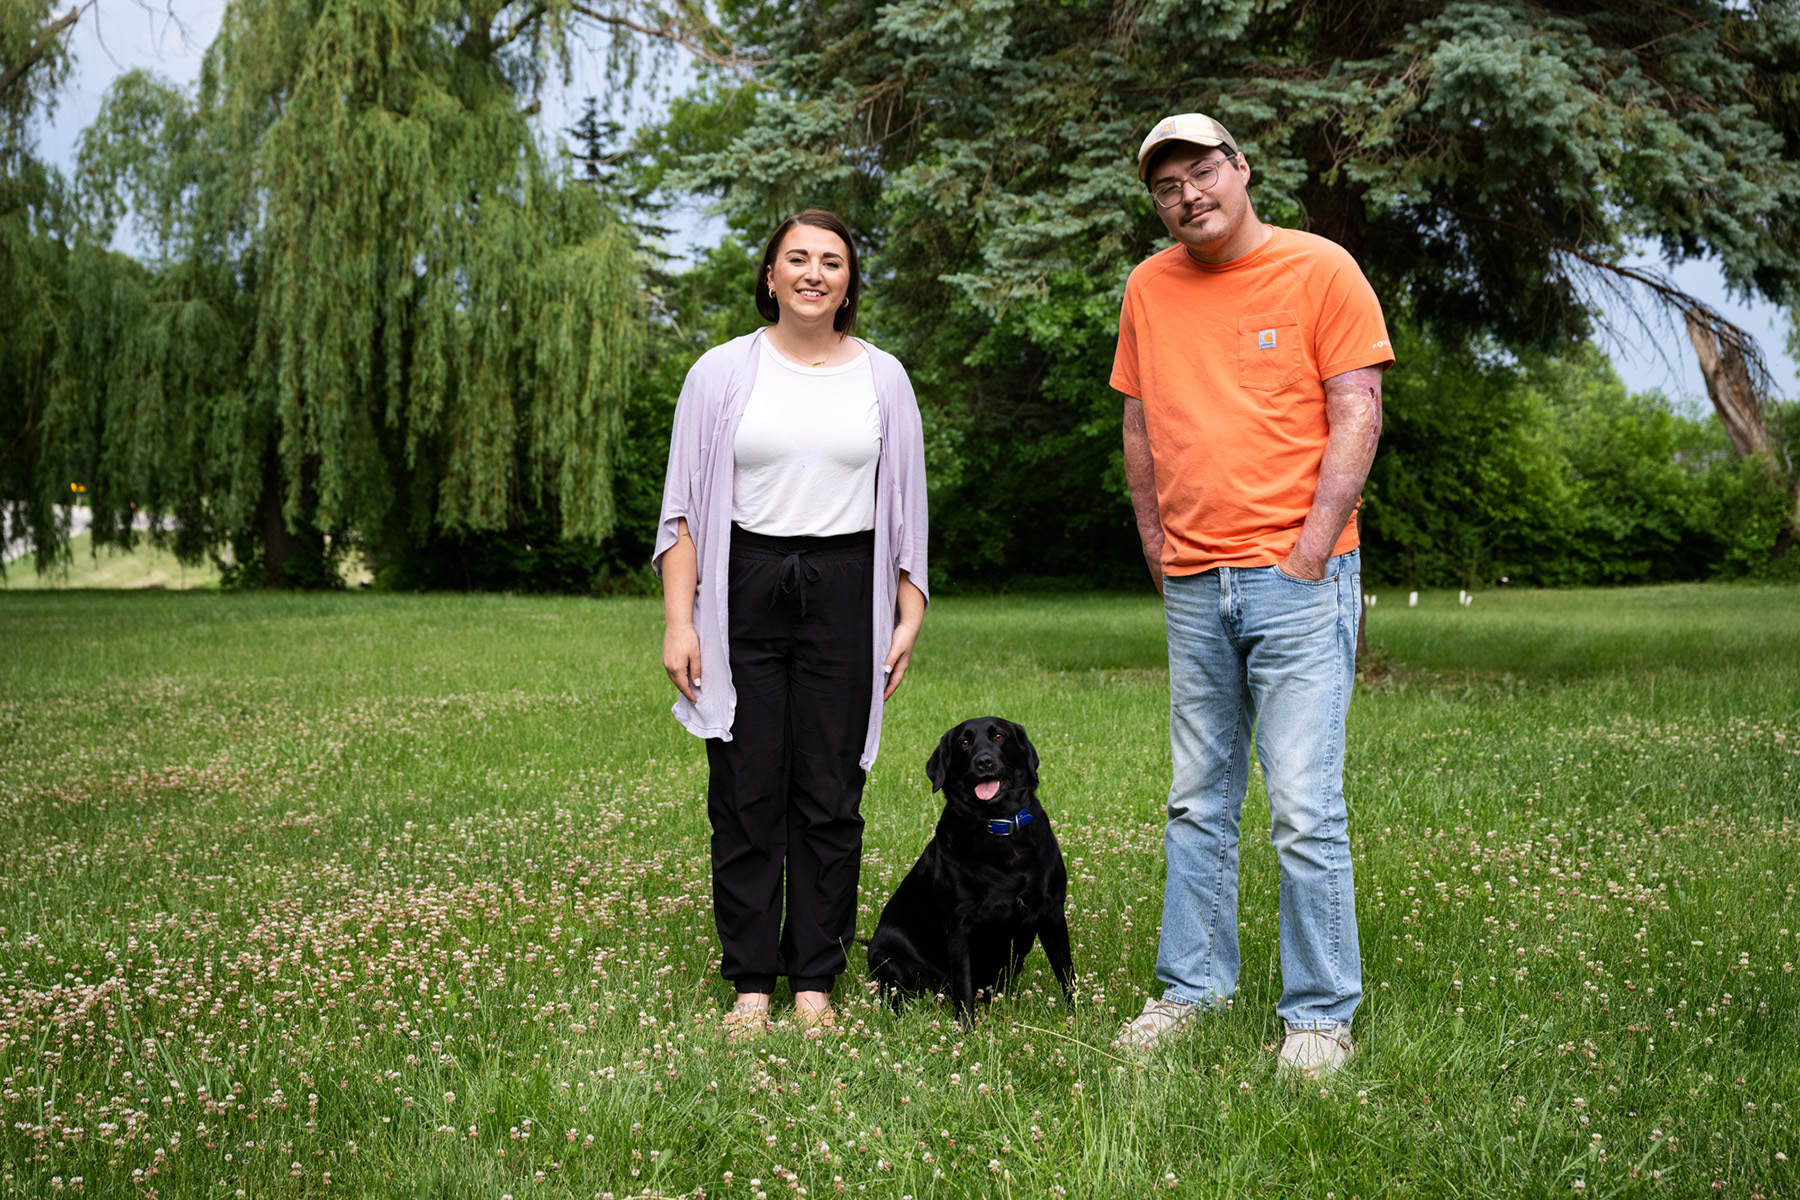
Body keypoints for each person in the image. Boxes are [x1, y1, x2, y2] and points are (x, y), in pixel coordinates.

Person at [1109, 114, 1392, 1079]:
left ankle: (1318, 1018)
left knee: (1305, 808)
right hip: (1194, 580)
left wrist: (1311, 554)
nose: (1187, 196)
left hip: (1300, 579)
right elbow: (1139, 428)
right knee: (1197, 800)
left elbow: (1359, 410)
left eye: (1200, 173)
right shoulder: (1149, 287)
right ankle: (1190, 990)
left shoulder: (1321, 269)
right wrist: (1158, 548)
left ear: (1239, 169)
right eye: (1165, 186)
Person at [654, 209, 929, 1037]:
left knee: (830, 791)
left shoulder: (883, 378)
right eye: (797, 259)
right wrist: (679, 622)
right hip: (743, 586)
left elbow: (909, 509)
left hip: (848, 587)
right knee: (745, 790)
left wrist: (908, 611)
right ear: (769, 276)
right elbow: (683, 514)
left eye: (832, 262)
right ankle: (750, 982)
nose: (813, 273)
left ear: (849, 283)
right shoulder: (719, 373)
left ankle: (813, 979)